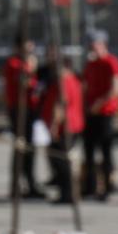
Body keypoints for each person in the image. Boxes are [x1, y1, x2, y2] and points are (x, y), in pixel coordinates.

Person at [81, 30, 118, 201]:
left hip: (105, 113)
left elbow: (117, 88)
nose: (92, 48)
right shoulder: (90, 64)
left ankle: (107, 187)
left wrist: (100, 103)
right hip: (90, 113)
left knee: (106, 152)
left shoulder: (111, 62)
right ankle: (89, 186)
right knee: (89, 151)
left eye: (95, 44)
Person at [3, 39, 43, 198]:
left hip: (31, 109)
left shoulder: (25, 63)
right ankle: (16, 185)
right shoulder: (14, 64)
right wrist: (31, 69)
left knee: (29, 149)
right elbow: (23, 82)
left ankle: (31, 182)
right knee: (20, 148)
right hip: (19, 109)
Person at [42, 57, 85, 204]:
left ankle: (67, 192)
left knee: (61, 160)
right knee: (64, 159)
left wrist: (54, 125)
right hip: (74, 125)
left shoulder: (64, 82)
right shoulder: (74, 80)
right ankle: (69, 191)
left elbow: (60, 104)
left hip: (65, 126)